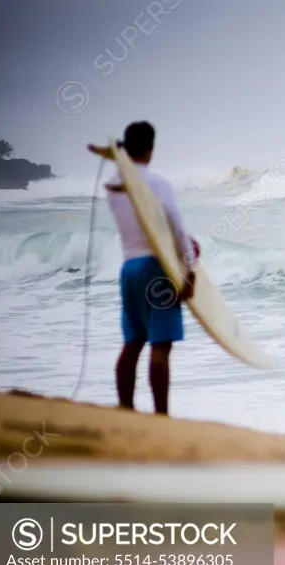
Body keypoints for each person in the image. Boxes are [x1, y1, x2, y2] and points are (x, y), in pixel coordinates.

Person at [88, 121, 197, 416]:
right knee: (160, 345)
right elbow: (176, 226)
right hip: (155, 268)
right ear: (151, 148)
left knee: (133, 342)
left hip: (129, 267)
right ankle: (161, 416)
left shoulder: (113, 184)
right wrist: (190, 270)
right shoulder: (158, 183)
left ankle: (125, 406)